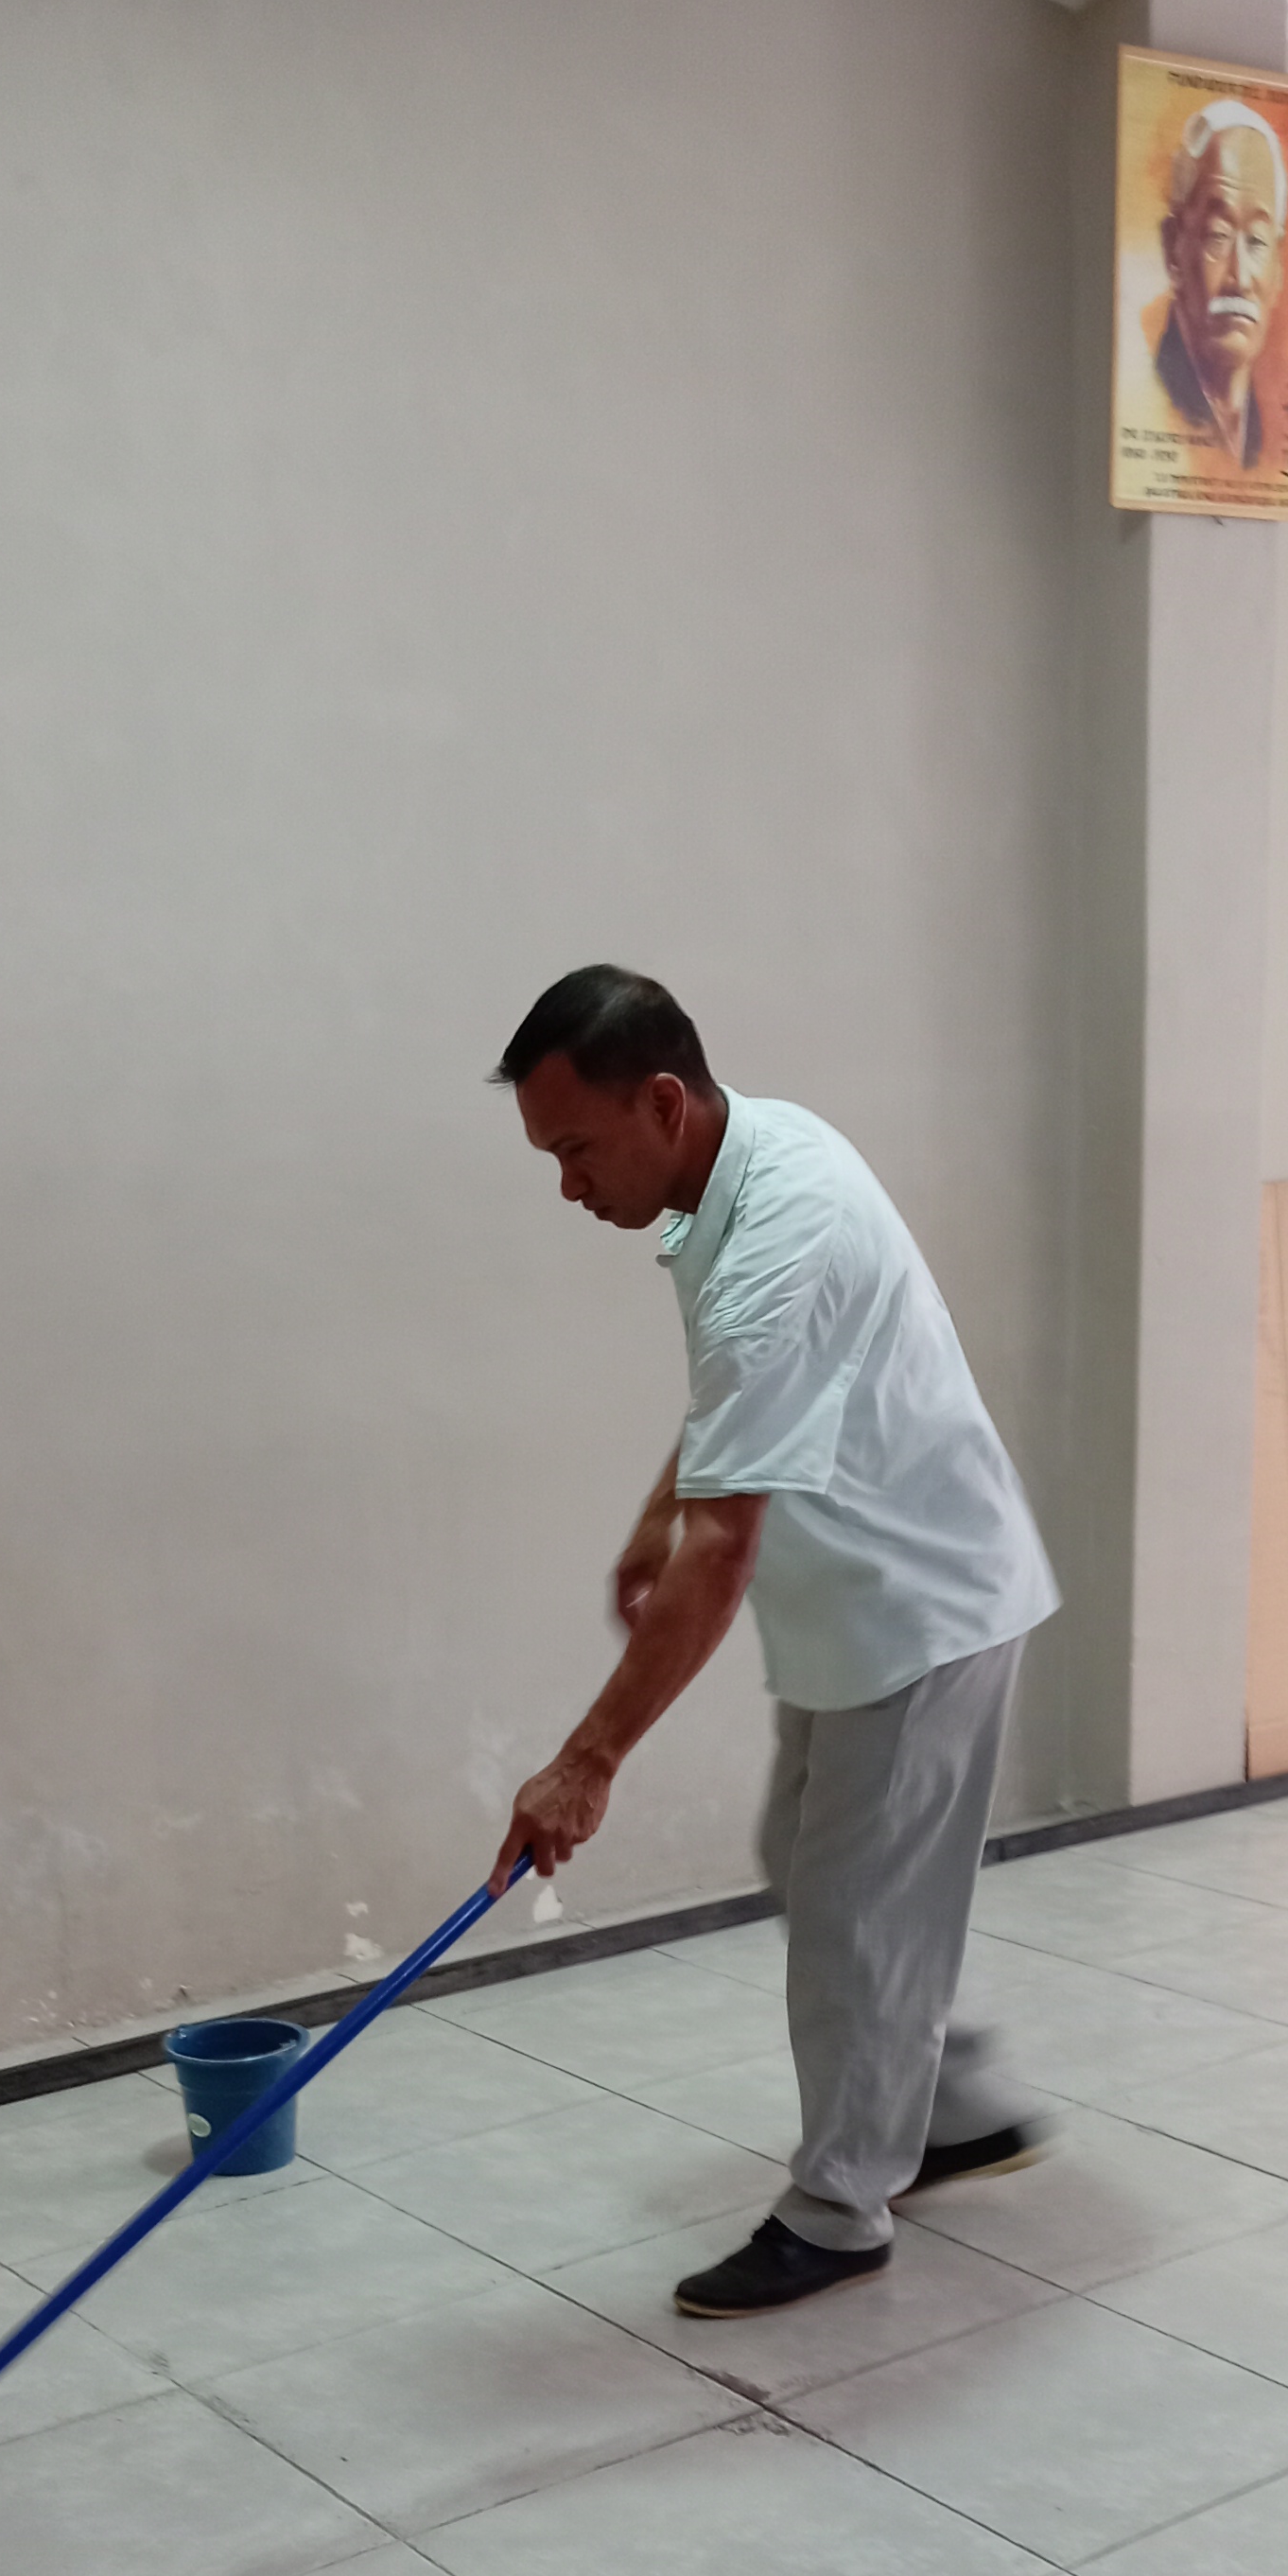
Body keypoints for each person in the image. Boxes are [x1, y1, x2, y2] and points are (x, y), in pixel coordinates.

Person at [488, 967, 1059, 2318]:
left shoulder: (777, 1236)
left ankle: (841, 2209)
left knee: (854, 1915)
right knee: (810, 1865)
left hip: (916, 1606)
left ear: (663, 1102)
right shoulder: (748, 1159)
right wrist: (657, 1508)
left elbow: (725, 1549)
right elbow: (742, 1401)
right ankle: (952, 2103)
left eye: (575, 1148)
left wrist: (584, 1763)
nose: (567, 1186)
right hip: (858, 1593)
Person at [1140, 96, 1286, 467]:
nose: (1240, 278)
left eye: (1257, 242)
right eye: (1218, 236)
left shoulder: (1264, 442)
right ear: (1173, 249)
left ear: (1278, 267)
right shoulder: (1148, 397)